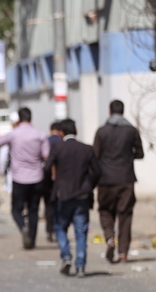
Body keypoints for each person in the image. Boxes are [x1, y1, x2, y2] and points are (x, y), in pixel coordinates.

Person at [45, 119, 100, 277]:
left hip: (62, 196)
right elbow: (97, 172)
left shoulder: (57, 148)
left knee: (60, 227)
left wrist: (50, 187)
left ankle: (67, 256)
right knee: (81, 231)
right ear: (76, 131)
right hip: (82, 196)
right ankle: (81, 266)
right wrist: (89, 186)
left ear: (61, 133)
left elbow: (47, 169)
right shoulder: (87, 149)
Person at [94, 100, 145, 263]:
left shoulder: (101, 132)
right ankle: (123, 252)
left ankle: (110, 238)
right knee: (125, 215)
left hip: (105, 180)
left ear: (110, 111)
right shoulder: (131, 131)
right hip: (126, 180)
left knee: (105, 211)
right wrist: (126, 156)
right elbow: (140, 153)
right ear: (123, 111)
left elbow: (95, 155)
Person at [0, 107, 50, 249]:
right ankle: (31, 240)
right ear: (31, 118)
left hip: (19, 178)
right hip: (37, 177)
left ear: (19, 119)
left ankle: (22, 227)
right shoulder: (40, 134)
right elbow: (46, 155)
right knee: (33, 210)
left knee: (16, 209)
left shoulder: (14, 134)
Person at [43, 121, 65, 243]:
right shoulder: (63, 142)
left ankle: (49, 230)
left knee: (48, 204)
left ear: (50, 130)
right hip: (61, 179)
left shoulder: (46, 141)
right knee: (60, 205)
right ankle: (59, 230)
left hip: (47, 180)